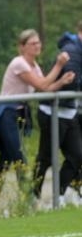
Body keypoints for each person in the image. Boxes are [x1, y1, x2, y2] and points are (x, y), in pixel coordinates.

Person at [0, 29, 74, 200]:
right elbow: (43, 85)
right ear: (22, 47)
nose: (37, 46)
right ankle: (28, 201)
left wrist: (61, 81)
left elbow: (46, 89)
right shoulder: (19, 63)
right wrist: (58, 66)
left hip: (19, 113)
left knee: (4, 162)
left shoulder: (34, 66)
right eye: (33, 43)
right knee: (19, 158)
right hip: (7, 113)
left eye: (38, 42)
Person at [31, 27, 81, 206]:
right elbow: (72, 82)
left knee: (77, 155)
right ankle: (33, 197)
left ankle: (59, 194)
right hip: (53, 112)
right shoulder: (72, 52)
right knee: (46, 157)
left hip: (69, 113)